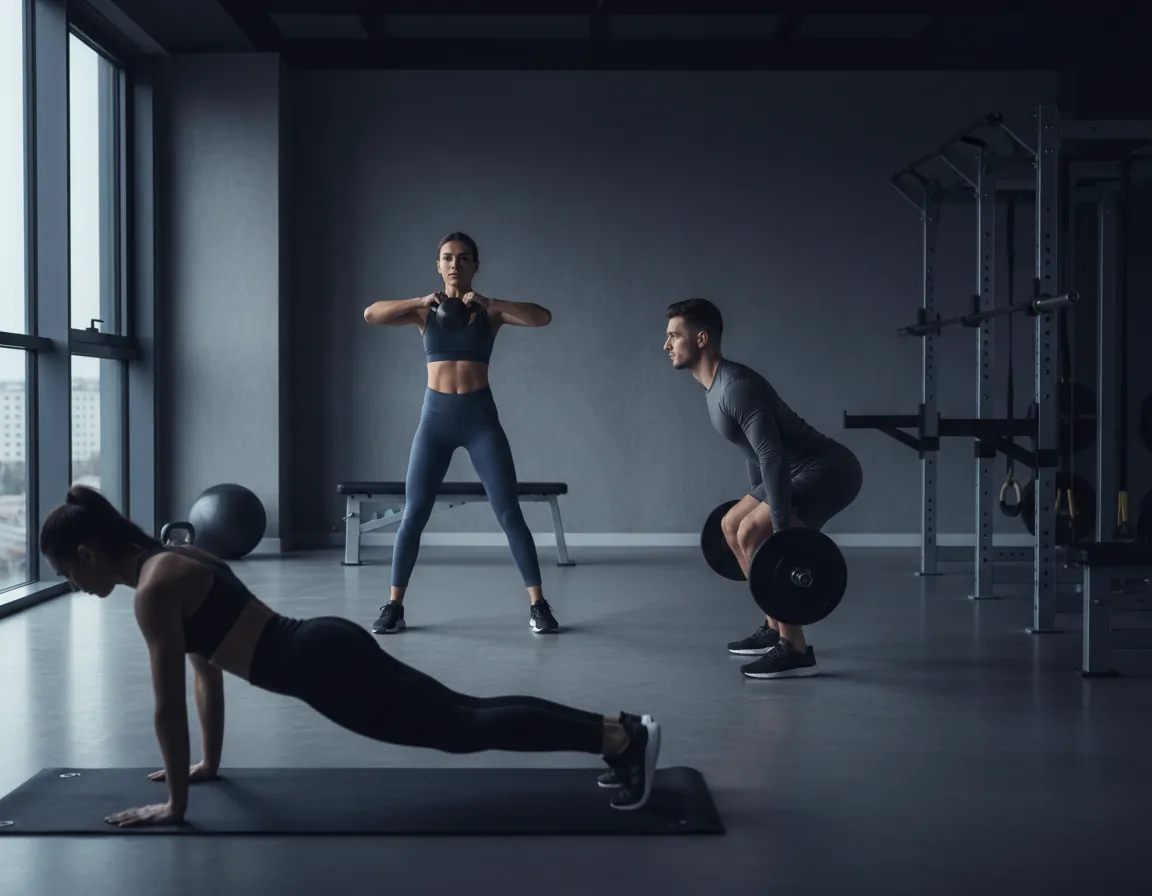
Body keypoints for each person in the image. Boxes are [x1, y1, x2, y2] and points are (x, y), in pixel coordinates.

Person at [38, 486, 663, 827]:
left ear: (88, 554)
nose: (73, 586)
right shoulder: (178, 560)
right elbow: (207, 673)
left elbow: (165, 709)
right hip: (324, 645)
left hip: (322, 669)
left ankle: (619, 738)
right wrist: (207, 764)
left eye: (67, 573)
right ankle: (613, 734)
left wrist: (174, 806)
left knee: (464, 727)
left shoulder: (152, 593)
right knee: (464, 715)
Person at [363, 232, 560, 636]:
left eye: (463, 258)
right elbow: (370, 314)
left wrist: (492, 303)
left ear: (475, 266)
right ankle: (394, 606)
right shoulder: (424, 313)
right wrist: (419, 302)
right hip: (434, 420)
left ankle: (538, 605)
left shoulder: (489, 314)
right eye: (447, 258)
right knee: (413, 513)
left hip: (479, 420)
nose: (455, 264)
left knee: (509, 512)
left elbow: (543, 317)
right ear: (438, 265)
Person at [664, 298, 863, 680]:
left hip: (829, 470)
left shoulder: (735, 387)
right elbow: (754, 453)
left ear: (701, 338)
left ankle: (795, 649)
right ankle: (775, 629)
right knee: (729, 525)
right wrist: (756, 500)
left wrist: (778, 528)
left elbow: (771, 456)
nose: (667, 345)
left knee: (753, 530)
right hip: (793, 469)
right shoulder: (714, 387)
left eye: (674, 336)